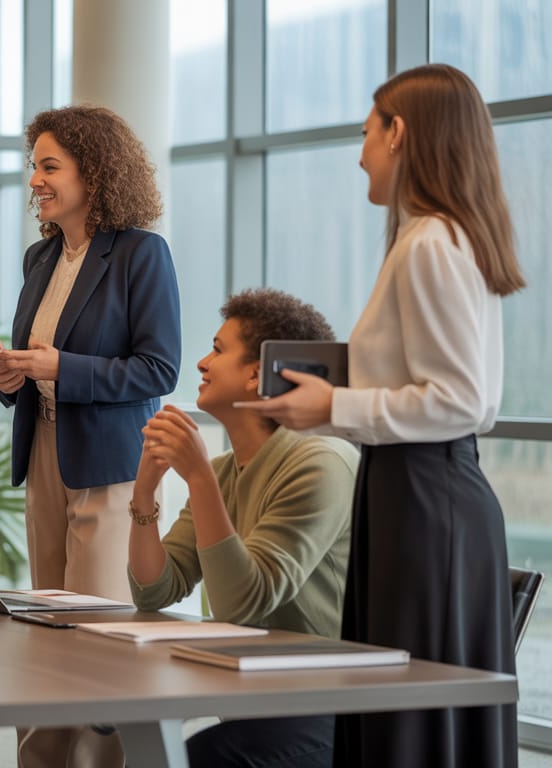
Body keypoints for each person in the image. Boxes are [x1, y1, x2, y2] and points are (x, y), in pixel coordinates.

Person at [240, 64, 525, 768]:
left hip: (427, 501)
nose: (359, 155)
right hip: (415, 494)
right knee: (409, 717)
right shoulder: (441, 238)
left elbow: (461, 400)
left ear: (398, 134)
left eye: (366, 134)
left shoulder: (429, 243)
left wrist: (332, 404)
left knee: (407, 719)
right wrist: (329, 400)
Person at [0, 105, 181, 768]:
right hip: (44, 451)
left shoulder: (141, 254)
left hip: (108, 464)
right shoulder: (40, 257)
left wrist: (60, 368)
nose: (34, 179)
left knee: (98, 634)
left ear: (93, 173)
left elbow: (158, 368)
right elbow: (35, 364)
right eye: (33, 165)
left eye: (49, 166)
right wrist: (11, 375)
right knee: (47, 631)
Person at [128, 288, 358, 768]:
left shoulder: (321, 464)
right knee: (156, 754)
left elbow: (244, 602)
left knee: (193, 759)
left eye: (217, 349)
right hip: (259, 697)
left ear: (257, 374)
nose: (201, 363)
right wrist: (144, 494)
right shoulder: (224, 472)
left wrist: (198, 477)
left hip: (333, 710)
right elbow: (155, 589)